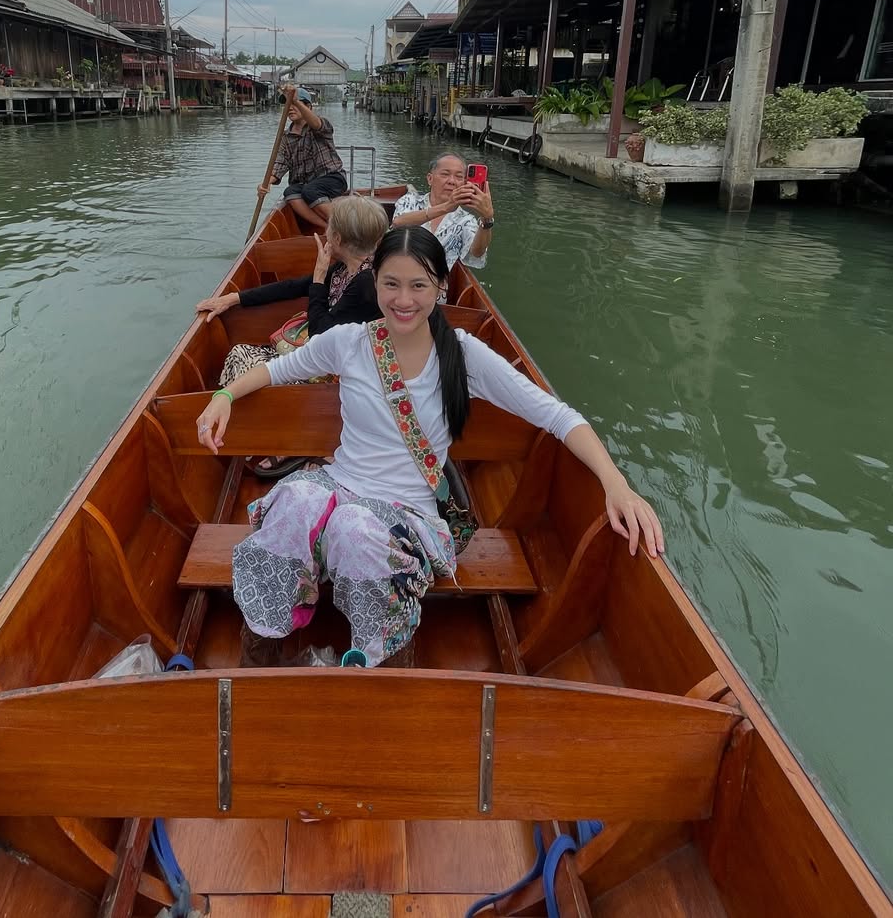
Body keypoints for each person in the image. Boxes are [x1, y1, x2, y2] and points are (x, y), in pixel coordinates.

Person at [195, 228, 664, 669]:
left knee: (354, 530)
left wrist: (616, 483)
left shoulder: (463, 354)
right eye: (391, 284)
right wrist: (223, 397)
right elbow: (279, 370)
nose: (403, 300)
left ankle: (387, 660)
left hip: (406, 509)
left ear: (441, 286)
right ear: (373, 283)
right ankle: (261, 651)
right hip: (340, 482)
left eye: (418, 285)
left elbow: (558, 416)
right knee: (296, 503)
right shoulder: (348, 342)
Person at [197, 194, 388, 382]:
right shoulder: (347, 267)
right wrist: (234, 298)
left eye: (329, 226)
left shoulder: (366, 282)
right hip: (324, 358)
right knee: (240, 351)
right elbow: (293, 287)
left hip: (339, 372)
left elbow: (319, 337)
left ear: (337, 238)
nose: (325, 231)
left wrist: (319, 279)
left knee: (241, 362)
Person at [259, 85, 348, 228]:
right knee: (290, 192)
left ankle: (345, 225)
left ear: (308, 107)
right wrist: (266, 184)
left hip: (332, 178)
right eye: (288, 105)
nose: (290, 108)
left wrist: (295, 101)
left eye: (294, 104)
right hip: (306, 185)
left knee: (311, 190)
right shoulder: (286, 137)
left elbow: (317, 124)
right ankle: (327, 227)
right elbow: (281, 163)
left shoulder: (319, 126)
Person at [391, 152, 494, 272]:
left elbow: (477, 253)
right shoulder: (411, 200)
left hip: (434, 285)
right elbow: (398, 223)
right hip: (397, 273)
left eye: (459, 177)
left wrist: (487, 219)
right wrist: (446, 207)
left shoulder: (465, 220)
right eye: (445, 174)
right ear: (430, 179)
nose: (452, 181)